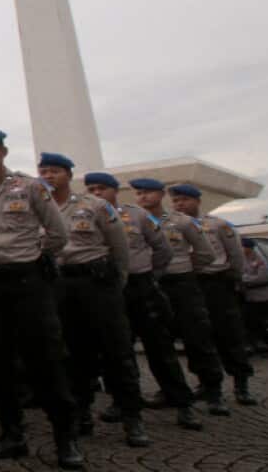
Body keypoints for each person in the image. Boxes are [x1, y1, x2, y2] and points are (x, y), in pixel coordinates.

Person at [0, 128, 82, 469]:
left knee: (46, 357)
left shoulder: (29, 187)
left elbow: (59, 233)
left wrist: (34, 254)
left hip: (28, 281)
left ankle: (65, 436)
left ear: (2, 151)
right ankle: (11, 433)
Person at [37, 154, 149, 448]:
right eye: (44, 171)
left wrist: (117, 282)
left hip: (97, 283)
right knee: (72, 354)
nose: (49, 176)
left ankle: (132, 417)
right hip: (60, 284)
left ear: (68, 175)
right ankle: (81, 412)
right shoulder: (37, 208)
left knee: (116, 350)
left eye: (55, 171)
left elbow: (120, 249)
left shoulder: (94, 206)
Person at [83, 173, 202, 432]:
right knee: (115, 350)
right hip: (108, 289)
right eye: (91, 189)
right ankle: (122, 401)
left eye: (101, 188)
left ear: (115, 191)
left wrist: (151, 276)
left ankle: (182, 403)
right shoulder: (84, 214)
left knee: (159, 347)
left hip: (140, 286)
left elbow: (163, 250)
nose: (96, 193)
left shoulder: (137, 215)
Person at [132, 178, 229, 416]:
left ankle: (212, 390)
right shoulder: (133, 222)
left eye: (148, 193)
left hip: (182, 284)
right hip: (153, 284)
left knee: (197, 338)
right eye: (139, 193)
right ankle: (171, 391)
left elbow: (206, 253)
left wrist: (185, 269)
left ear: (161, 195)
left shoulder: (182, 222)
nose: (143, 197)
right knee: (158, 342)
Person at [169, 184, 256, 406]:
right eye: (176, 201)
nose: (180, 204)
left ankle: (241, 384)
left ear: (198, 201)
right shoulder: (171, 225)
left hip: (217, 283)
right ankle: (206, 383)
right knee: (196, 336)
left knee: (229, 333)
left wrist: (234, 278)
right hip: (190, 283)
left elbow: (235, 254)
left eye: (185, 200)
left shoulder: (218, 225)